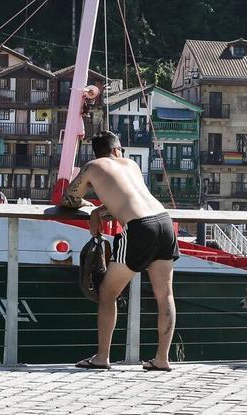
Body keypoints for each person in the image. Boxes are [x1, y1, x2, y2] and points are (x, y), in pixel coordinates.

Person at [58, 131, 179, 371]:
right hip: (164, 221)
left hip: (138, 229)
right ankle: (162, 359)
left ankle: (102, 357)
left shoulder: (93, 166)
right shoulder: (131, 164)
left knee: (107, 293)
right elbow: (130, 198)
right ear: (116, 150)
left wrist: (90, 208)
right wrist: (98, 212)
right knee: (165, 295)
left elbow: (68, 200)